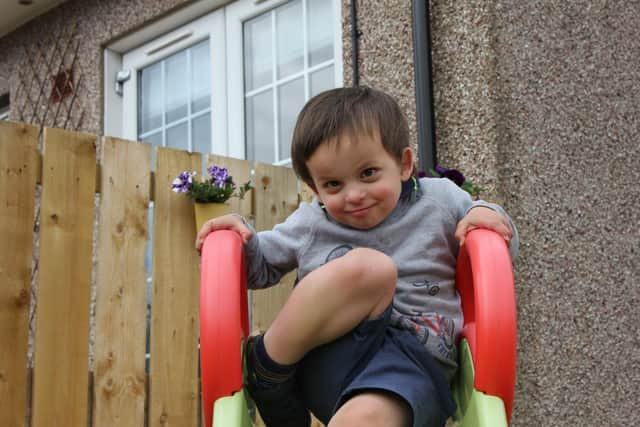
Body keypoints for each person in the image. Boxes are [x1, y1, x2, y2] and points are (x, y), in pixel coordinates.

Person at [195, 86, 518, 427]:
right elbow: (257, 270)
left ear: (404, 164)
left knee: (363, 420)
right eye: (333, 184)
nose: (354, 195)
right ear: (314, 188)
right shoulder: (312, 223)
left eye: (368, 174)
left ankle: (274, 368)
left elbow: (500, 251)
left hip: (413, 369)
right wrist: (237, 238)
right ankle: (269, 366)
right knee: (371, 269)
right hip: (330, 356)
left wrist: (485, 215)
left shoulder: (439, 201)